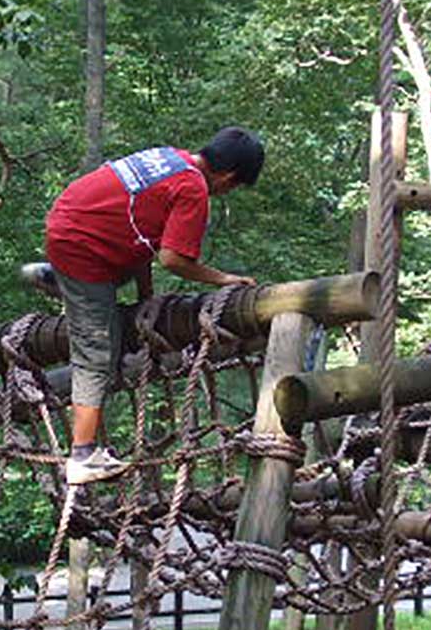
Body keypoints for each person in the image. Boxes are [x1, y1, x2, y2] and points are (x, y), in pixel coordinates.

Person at [40, 127, 264, 485]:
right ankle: (82, 455)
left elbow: (141, 237)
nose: (226, 192)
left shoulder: (169, 157)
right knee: (98, 351)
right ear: (228, 176)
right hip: (83, 250)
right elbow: (173, 258)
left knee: (100, 293)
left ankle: (56, 276)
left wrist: (147, 300)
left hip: (74, 226)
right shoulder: (193, 189)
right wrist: (223, 279)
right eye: (233, 187)